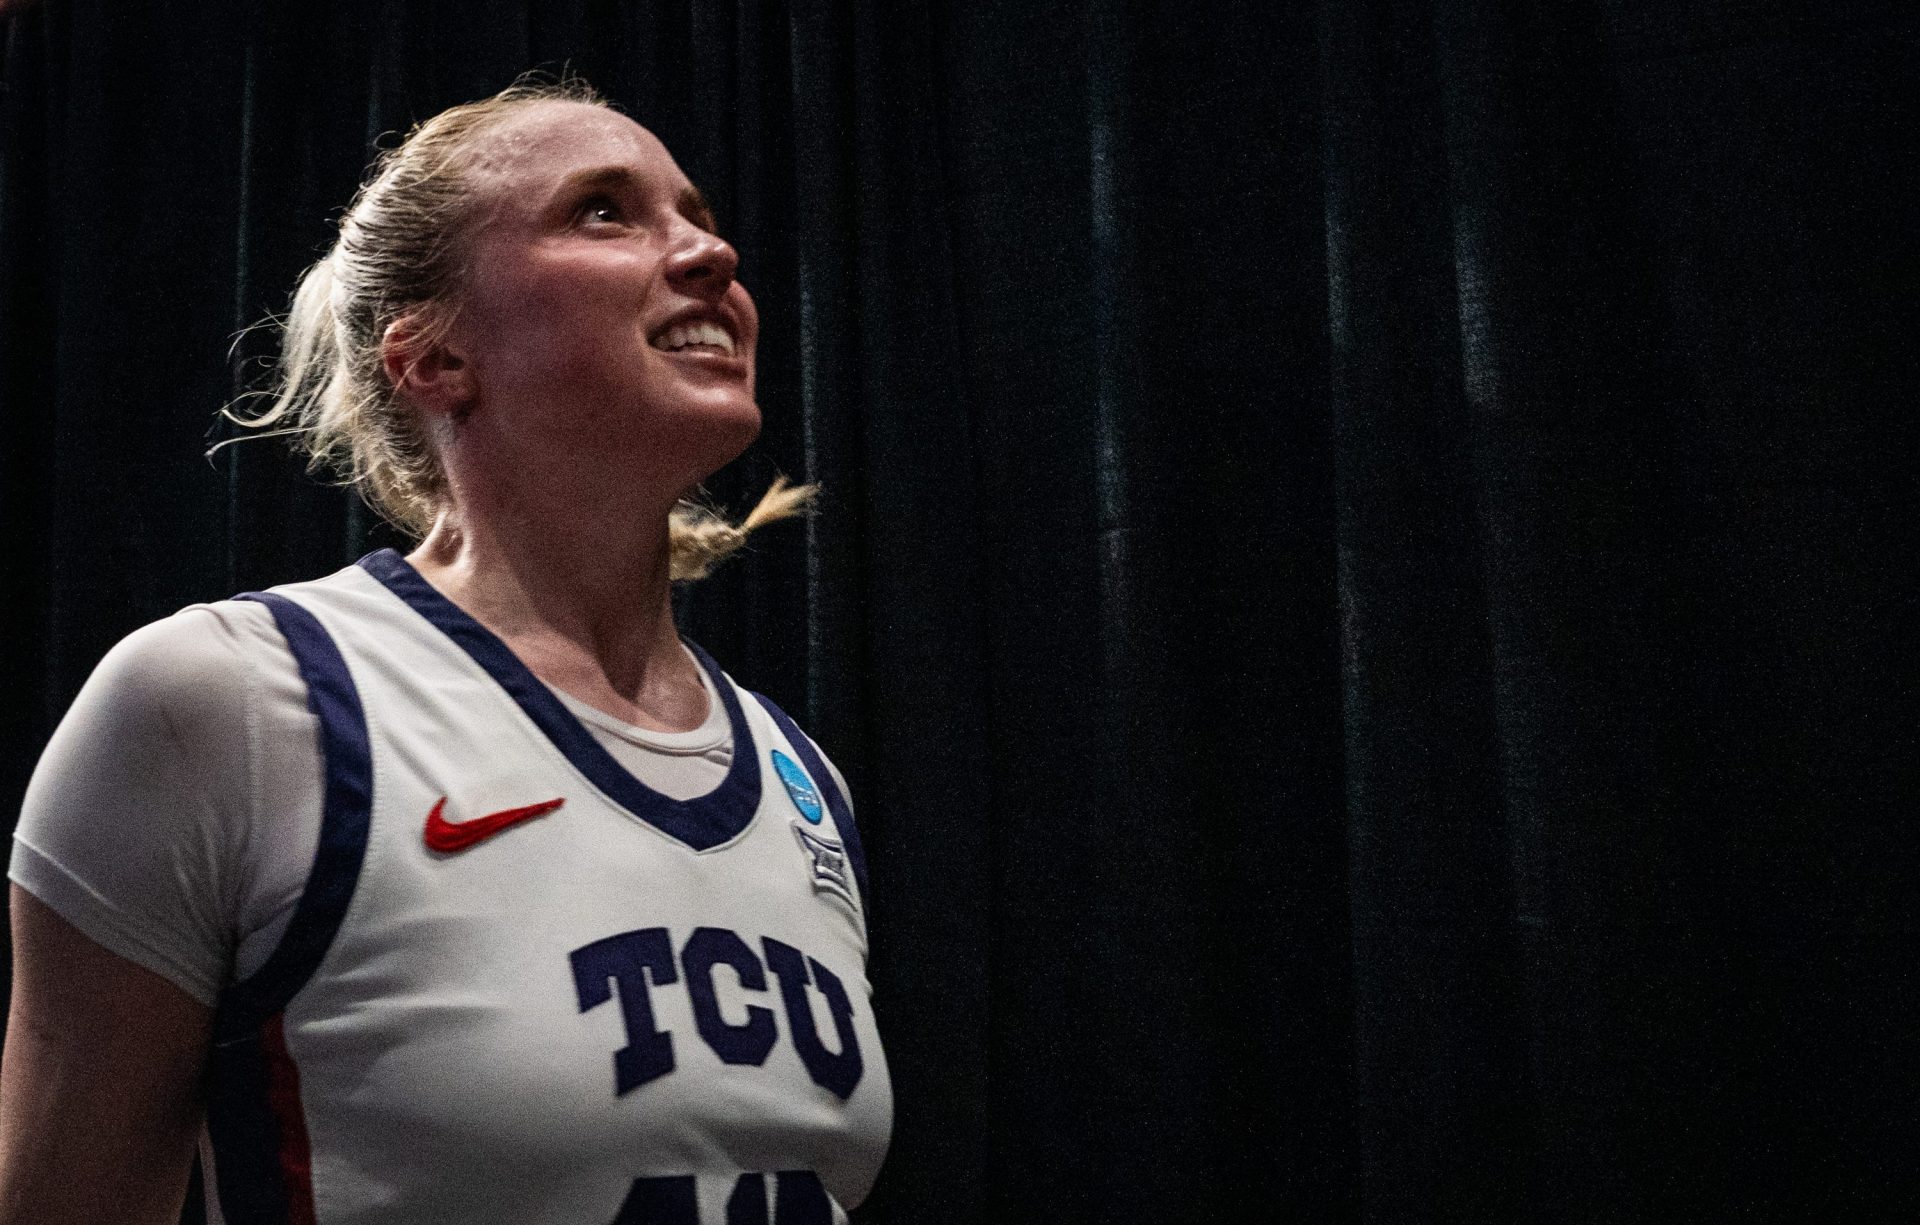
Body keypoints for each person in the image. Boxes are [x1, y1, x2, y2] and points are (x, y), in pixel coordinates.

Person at [0, 78, 890, 1225]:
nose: (710, 253)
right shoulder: (229, 703)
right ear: (432, 359)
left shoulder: (799, 778)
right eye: (605, 213)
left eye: (697, 213)